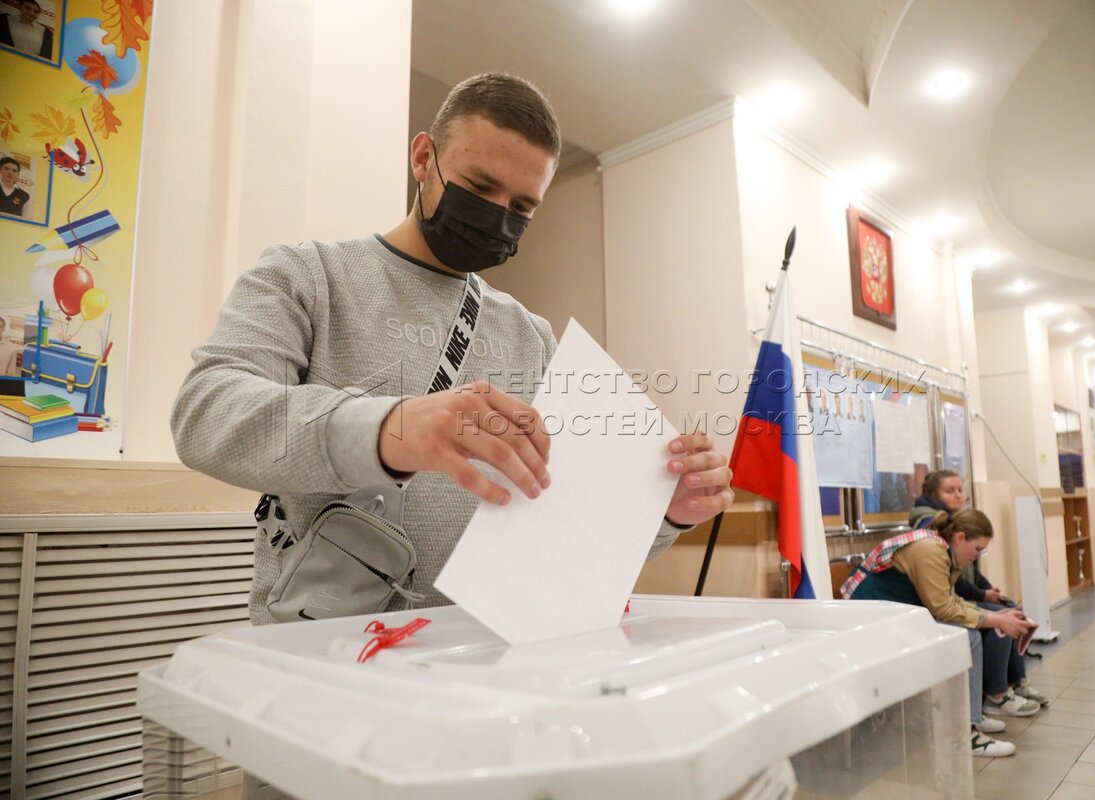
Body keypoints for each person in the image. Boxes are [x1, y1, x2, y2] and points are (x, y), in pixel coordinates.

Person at [171, 73, 735, 626]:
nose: (497, 215)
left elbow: (569, 531)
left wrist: (663, 514)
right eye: (480, 188)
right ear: (423, 158)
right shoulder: (308, 276)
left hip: (482, 653)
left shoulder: (532, 337)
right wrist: (388, 429)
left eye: (522, 207)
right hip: (326, 649)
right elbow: (206, 412)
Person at [841, 508, 1038, 758]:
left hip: (896, 609)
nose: (978, 556)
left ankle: (971, 717)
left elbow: (949, 601)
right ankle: (964, 731)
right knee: (968, 638)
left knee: (971, 632)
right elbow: (942, 608)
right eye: (977, 549)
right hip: (872, 615)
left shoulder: (942, 548)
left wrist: (994, 615)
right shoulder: (931, 551)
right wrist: (996, 619)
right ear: (960, 538)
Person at [912, 470, 1048, 711]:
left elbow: (965, 571)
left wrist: (986, 590)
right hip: (921, 604)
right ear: (933, 495)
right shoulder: (930, 531)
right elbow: (947, 589)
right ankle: (995, 694)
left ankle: (1015, 682)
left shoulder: (955, 524)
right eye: (949, 491)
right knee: (993, 624)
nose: (958, 495)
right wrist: (984, 598)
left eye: (960, 490)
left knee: (1008, 610)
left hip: (949, 598)